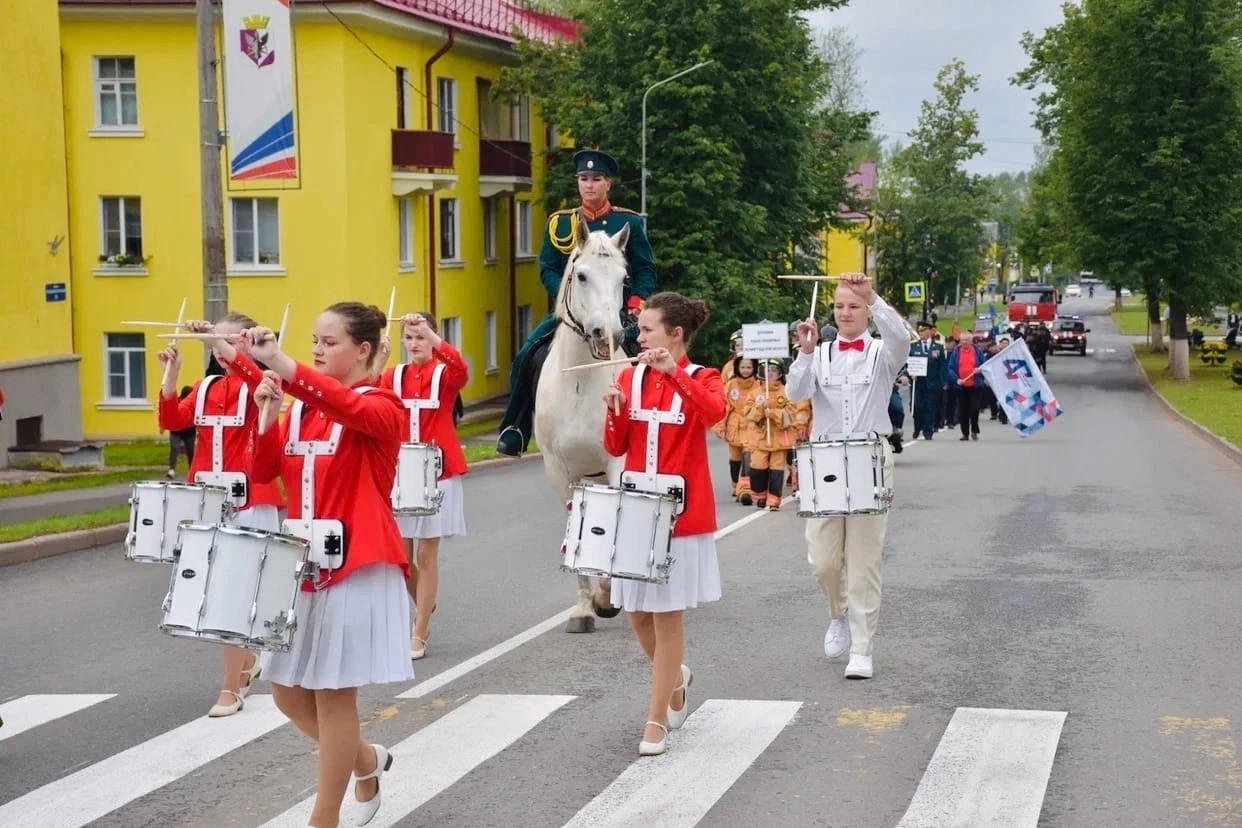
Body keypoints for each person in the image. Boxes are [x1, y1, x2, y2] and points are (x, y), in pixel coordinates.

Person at [210, 302, 411, 828]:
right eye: (314, 341)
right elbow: (262, 469)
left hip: (357, 564)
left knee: (332, 691)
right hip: (301, 566)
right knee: (285, 692)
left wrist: (278, 363)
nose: (318, 350)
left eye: (330, 342)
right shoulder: (302, 406)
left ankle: (324, 818)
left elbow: (345, 404)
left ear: (364, 349)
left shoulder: (383, 406)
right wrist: (267, 416)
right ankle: (365, 760)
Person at [601, 292, 726, 756]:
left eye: (649, 328)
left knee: (667, 616)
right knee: (636, 615)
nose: (640, 335)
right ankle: (675, 678)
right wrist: (613, 410)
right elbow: (615, 448)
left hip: (680, 515)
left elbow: (715, 414)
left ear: (675, 335)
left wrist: (674, 373)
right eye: (640, 327)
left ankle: (655, 720)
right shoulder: (629, 376)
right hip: (635, 511)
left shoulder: (702, 376)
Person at [156, 312, 284, 718]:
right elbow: (172, 419)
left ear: (248, 344)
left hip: (251, 500)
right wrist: (172, 375)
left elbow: (251, 378)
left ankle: (232, 687)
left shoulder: (261, 383)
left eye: (232, 341)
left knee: (237, 594)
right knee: (217, 593)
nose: (223, 347)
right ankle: (244, 666)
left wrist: (218, 343)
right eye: (217, 339)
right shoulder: (209, 386)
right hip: (209, 501)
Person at [786, 273, 908, 680]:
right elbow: (794, 392)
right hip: (826, 464)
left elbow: (902, 337)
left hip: (870, 460)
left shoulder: (882, 353)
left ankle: (862, 646)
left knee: (864, 561)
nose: (846, 313)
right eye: (840, 306)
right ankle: (837, 613)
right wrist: (804, 352)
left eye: (854, 306)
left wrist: (873, 295)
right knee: (823, 560)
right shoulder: (818, 354)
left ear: (867, 312)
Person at [496, 149, 657, 456]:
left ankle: (651, 426)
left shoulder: (629, 224)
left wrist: (636, 300)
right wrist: (567, 298)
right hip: (572, 311)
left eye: (596, 179)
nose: (589, 185)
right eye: (584, 179)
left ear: (607, 183)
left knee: (645, 358)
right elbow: (547, 268)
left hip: (618, 310)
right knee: (527, 355)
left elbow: (646, 268)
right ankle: (515, 428)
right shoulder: (561, 224)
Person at [378, 312, 468, 662]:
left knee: (426, 554)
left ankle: (419, 630)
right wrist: (380, 361)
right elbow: (364, 394)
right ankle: (425, 603)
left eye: (421, 337)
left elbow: (461, 370)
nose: (415, 344)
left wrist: (433, 336)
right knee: (400, 557)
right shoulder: (393, 376)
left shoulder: (444, 374)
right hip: (400, 471)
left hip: (437, 471)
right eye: (410, 337)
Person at [746, 358, 799, 510]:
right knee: (757, 468)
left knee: (777, 471)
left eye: (774, 370)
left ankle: (774, 500)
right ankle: (760, 495)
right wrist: (760, 409)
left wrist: (774, 413)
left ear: (780, 373)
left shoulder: (786, 392)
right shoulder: (755, 393)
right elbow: (748, 414)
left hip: (779, 439)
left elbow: (791, 415)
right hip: (759, 438)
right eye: (767, 370)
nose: (770, 373)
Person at [720, 356, 760, 504]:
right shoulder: (731, 384)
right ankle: (735, 485)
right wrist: (720, 426)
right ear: (737, 368)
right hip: (734, 425)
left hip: (751, 424)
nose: (745, 371)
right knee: (734, 459)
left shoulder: (759, 384)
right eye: (742, 367)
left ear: (754, 368)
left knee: (748, 456)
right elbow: (723, 406)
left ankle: (745, 490)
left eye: (749, 367)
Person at [909, 321, 947, 441]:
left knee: (930, 407)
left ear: (930, 331)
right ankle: (917, 427)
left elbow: (942, 366)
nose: (921, 333)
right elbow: (908, 363)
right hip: (918, 383)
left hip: (932, 382)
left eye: (923, 330)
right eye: (919, 331)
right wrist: (911, 375)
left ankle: (928, 430)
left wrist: (944, 382)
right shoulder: (913, 346)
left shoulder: (938, 347)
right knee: (917, 407)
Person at [947, 333, 987, 441]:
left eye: (967, 340)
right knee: (963, 410)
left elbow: (985, 366)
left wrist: (980, 370)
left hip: (975, 385)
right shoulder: (956, 352)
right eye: (963, 340)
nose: (964, 342)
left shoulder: (978, 352)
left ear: (971, 341)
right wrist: (956, 379)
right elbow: (950, 368)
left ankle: (974, 430)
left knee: (974, 409)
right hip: (961, 386)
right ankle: (965, 433)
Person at [165, 385, 197, 479]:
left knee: (190, 451)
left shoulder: (194, 404)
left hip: (189, 432)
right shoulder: (177, 402)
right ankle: (171, 470)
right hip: (176, 431)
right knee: (174, 449)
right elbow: (170, 413)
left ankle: (191, 470)